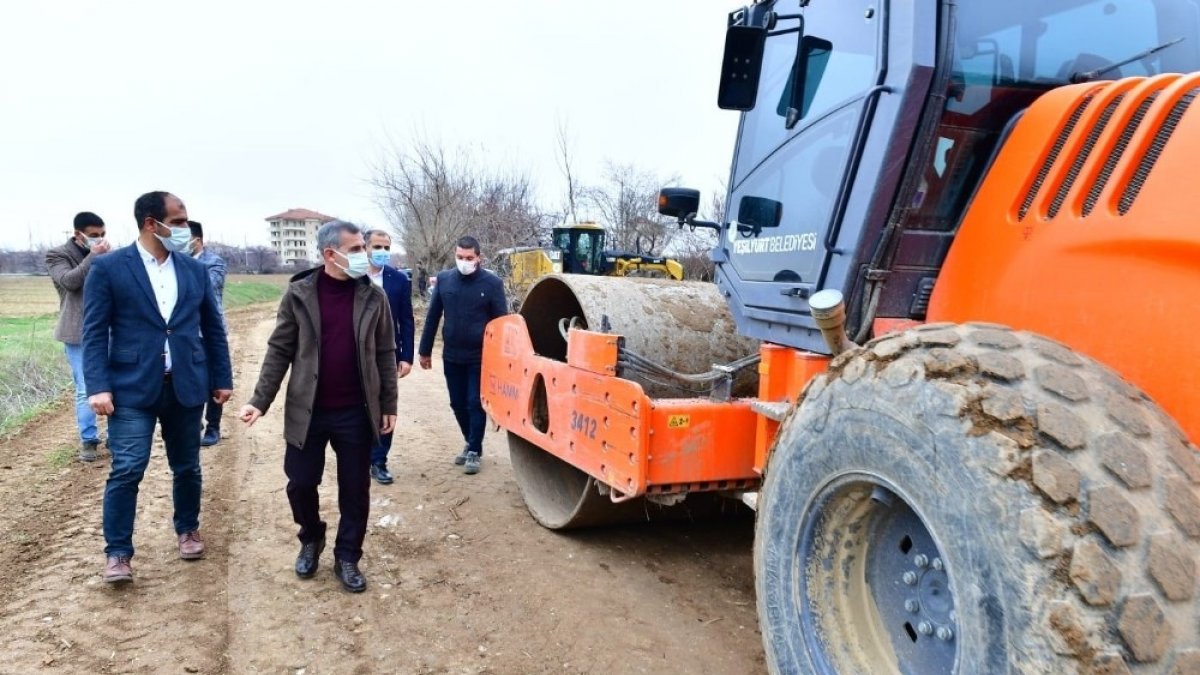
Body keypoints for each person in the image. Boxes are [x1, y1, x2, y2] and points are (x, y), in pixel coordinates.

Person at [239, 220, 398, 593]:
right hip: (308, 411)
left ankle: (348, 556)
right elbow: (279, 350)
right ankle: (311, 537)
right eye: (356, 249)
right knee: (300, 483)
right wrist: (259, 401)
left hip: (356, 411)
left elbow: (386, 352)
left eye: (363, 248)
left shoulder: (374, 298)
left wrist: (388, 403)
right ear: (330, 254)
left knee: (355, 489)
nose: (364, 255)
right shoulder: (299, 295)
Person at [82, 191, 233, 585]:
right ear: (152, 223)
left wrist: (222, 377)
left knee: (187, 465)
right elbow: (94, 332)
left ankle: (188, 529)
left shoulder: (194, 270)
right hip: (131, 388)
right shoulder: (110, 268)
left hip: (186, 384)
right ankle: (118, 553)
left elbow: (213, 327)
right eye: (178, 222)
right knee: (128, 468)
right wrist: (98, 386)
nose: (185, 228)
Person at [418, 236, 507, 475]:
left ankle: (474, 450)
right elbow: (433, 316)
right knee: (457, 403)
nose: (464, 262)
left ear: (479, 258)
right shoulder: (445, 280)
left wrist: (501, 358)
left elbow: (502, 323)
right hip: (452, 355)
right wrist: (425, 350)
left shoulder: (492, 284)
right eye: (460, 257)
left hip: (480, 356)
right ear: (454, 255)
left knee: (474, 402)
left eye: (469, 258)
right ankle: (470, 441)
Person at [45, 211, 112, 462]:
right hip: (77, 332)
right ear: (78, 234)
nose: (99, 239)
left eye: (103, 234)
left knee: (115, 384)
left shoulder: (108, 254)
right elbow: (69, 281)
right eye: (94, 235)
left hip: (108, 329)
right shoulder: (58, 255)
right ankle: (89, 440)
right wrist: (94, 256)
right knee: (86, 388)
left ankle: (115, 436)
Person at [363, 228, 415, 485]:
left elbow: (406, 320)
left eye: (386, 247)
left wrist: (406, 356)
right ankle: (359, 457)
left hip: (387, 353)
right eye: (377, 247)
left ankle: (379, 460)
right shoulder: (352, 276)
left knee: (386, 404)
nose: (382, 252)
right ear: (365, 247)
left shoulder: (399, 280)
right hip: (356, 353)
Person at [187, 221, 228, 447]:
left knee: (214, 380)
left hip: (208, 331)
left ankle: (213, 426)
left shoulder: (214, 262)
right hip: (185, 333)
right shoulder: (173, 262)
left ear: (197, 240)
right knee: (191, 380)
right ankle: (194, 424)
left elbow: (206, 289)